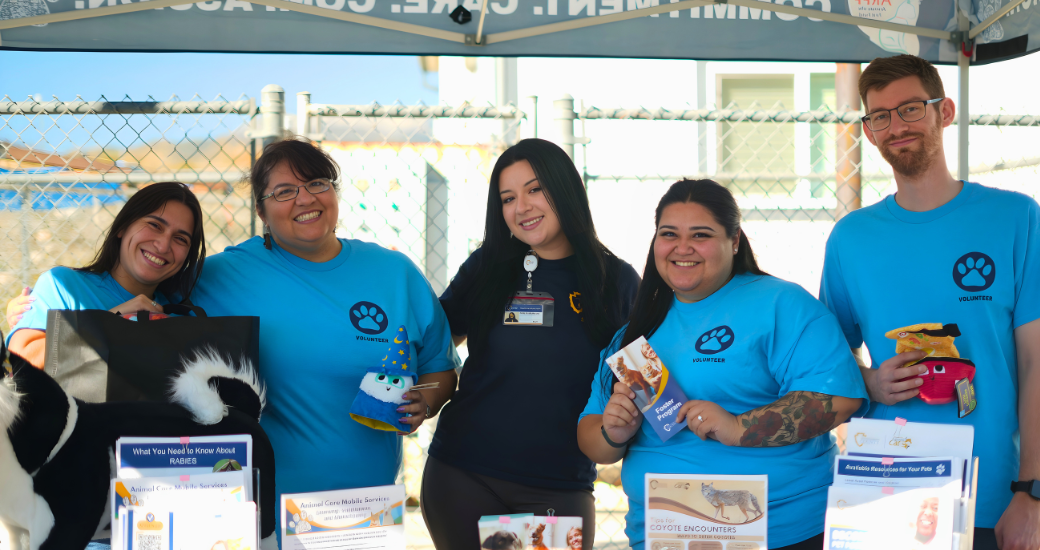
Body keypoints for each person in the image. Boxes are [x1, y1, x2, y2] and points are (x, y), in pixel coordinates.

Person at [818, 55, 1040, 550]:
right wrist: (868, 381)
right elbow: (828, 364)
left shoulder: (1015, 218)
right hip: (885, 491)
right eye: (881, 116)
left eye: (911, 108)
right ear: (869, 132)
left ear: (945, 111)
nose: (897, 125)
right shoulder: (850, 239)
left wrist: (1032, 492)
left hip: (991, 496)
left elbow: (1038, 365)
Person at [185, 140, 459, 533]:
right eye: (284, 191)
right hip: (261, 513)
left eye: (316, 183)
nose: (304, 198)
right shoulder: (223, 275)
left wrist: (426, 399)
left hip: (364, 510)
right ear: (261, 210)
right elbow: (149, 294)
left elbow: (441, 368)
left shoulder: (394, 273)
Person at [578, 179, 867, 550]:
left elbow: (838, 399)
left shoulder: (781, 303)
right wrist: (612, 432)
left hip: (778, 532)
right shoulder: (635, 333)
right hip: (665, 533)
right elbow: (592, 441)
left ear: (734, 240)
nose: (683, 248)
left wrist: (738, 427)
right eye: (669, 234)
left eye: (701, 235)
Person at [421, 139, 640, 550]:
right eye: (508, 198)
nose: (521, 207)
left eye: (535, 189)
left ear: (565, 190)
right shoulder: (488, 267)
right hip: (463, 474)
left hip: (557, 487)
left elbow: (645, 379)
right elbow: (434, 337)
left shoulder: (616, 281)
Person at [6, 182, 206, 368]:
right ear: (122, 227)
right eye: (155, 225)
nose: (163, 246)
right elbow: (22, 361)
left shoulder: (178, 317)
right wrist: (111, 322)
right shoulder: (64, 286)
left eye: (180, 238)